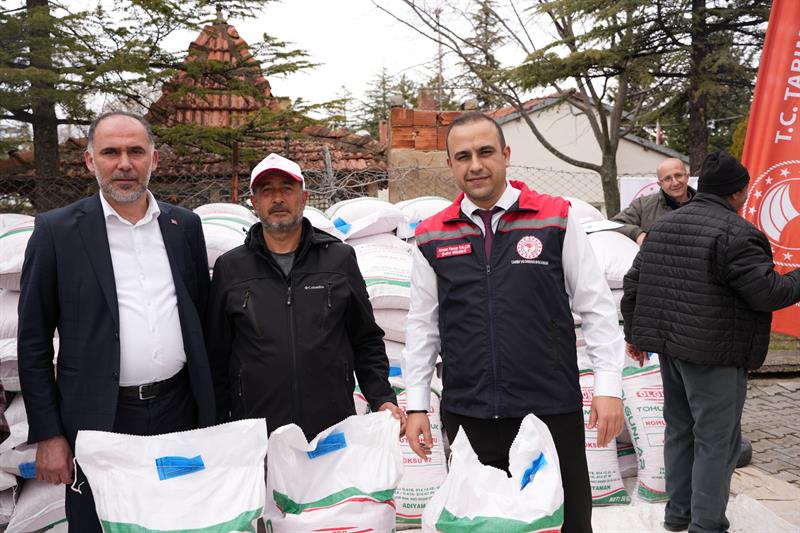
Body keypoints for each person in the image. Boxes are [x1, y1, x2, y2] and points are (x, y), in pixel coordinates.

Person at [402, 112, 624, 533]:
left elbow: (596, 306)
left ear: (505, 155)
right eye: (463, 156)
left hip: (549, 410)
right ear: (450, 165)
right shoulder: (432, 235)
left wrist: (609, 387)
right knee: (481, 526)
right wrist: (416, 405)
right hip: (469, 414)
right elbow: (422, 326)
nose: (475, 165)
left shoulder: (555, 218)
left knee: (568, 523)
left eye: (485, 152)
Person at [17, 112, 215, 532]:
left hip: (178, 411)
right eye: (111, 152)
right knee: (98, 524)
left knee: (178, 521)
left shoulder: (183, 227)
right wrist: (49, 434)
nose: (124, 164)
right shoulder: (57, 232)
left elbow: (200, 318)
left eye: (135, 152)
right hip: (99, 419)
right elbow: (33, 342)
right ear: (90, 161)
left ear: (153, 159)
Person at [621, 151, 800, 533]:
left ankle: (678, 515)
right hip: (715, 355)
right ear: (737, 193)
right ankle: (706, 525)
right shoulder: (738, 233)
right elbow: (768, 293)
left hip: (671, 350)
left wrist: (634, 335)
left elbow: (633, 282)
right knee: (716, 441)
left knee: (680, 430)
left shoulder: (663, 227)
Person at [206, 153, 403, 441]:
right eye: (267, 191)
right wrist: (219, 425)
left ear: (304, 198)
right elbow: (217, 355)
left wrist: (382, 398)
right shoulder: (231, 268)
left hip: (331, 424)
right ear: (254, 202)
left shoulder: (338, 259)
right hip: (258, 428)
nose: (277, 198)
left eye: (287, 189)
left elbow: (365, 340)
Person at [611, 157, 695, 245]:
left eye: (678, 175)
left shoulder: (703, 204)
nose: (675, 182)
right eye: (667, 178)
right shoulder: (642, 206)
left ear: (687, 176)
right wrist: (638, 234)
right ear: (660, 184)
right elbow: (613, 224)